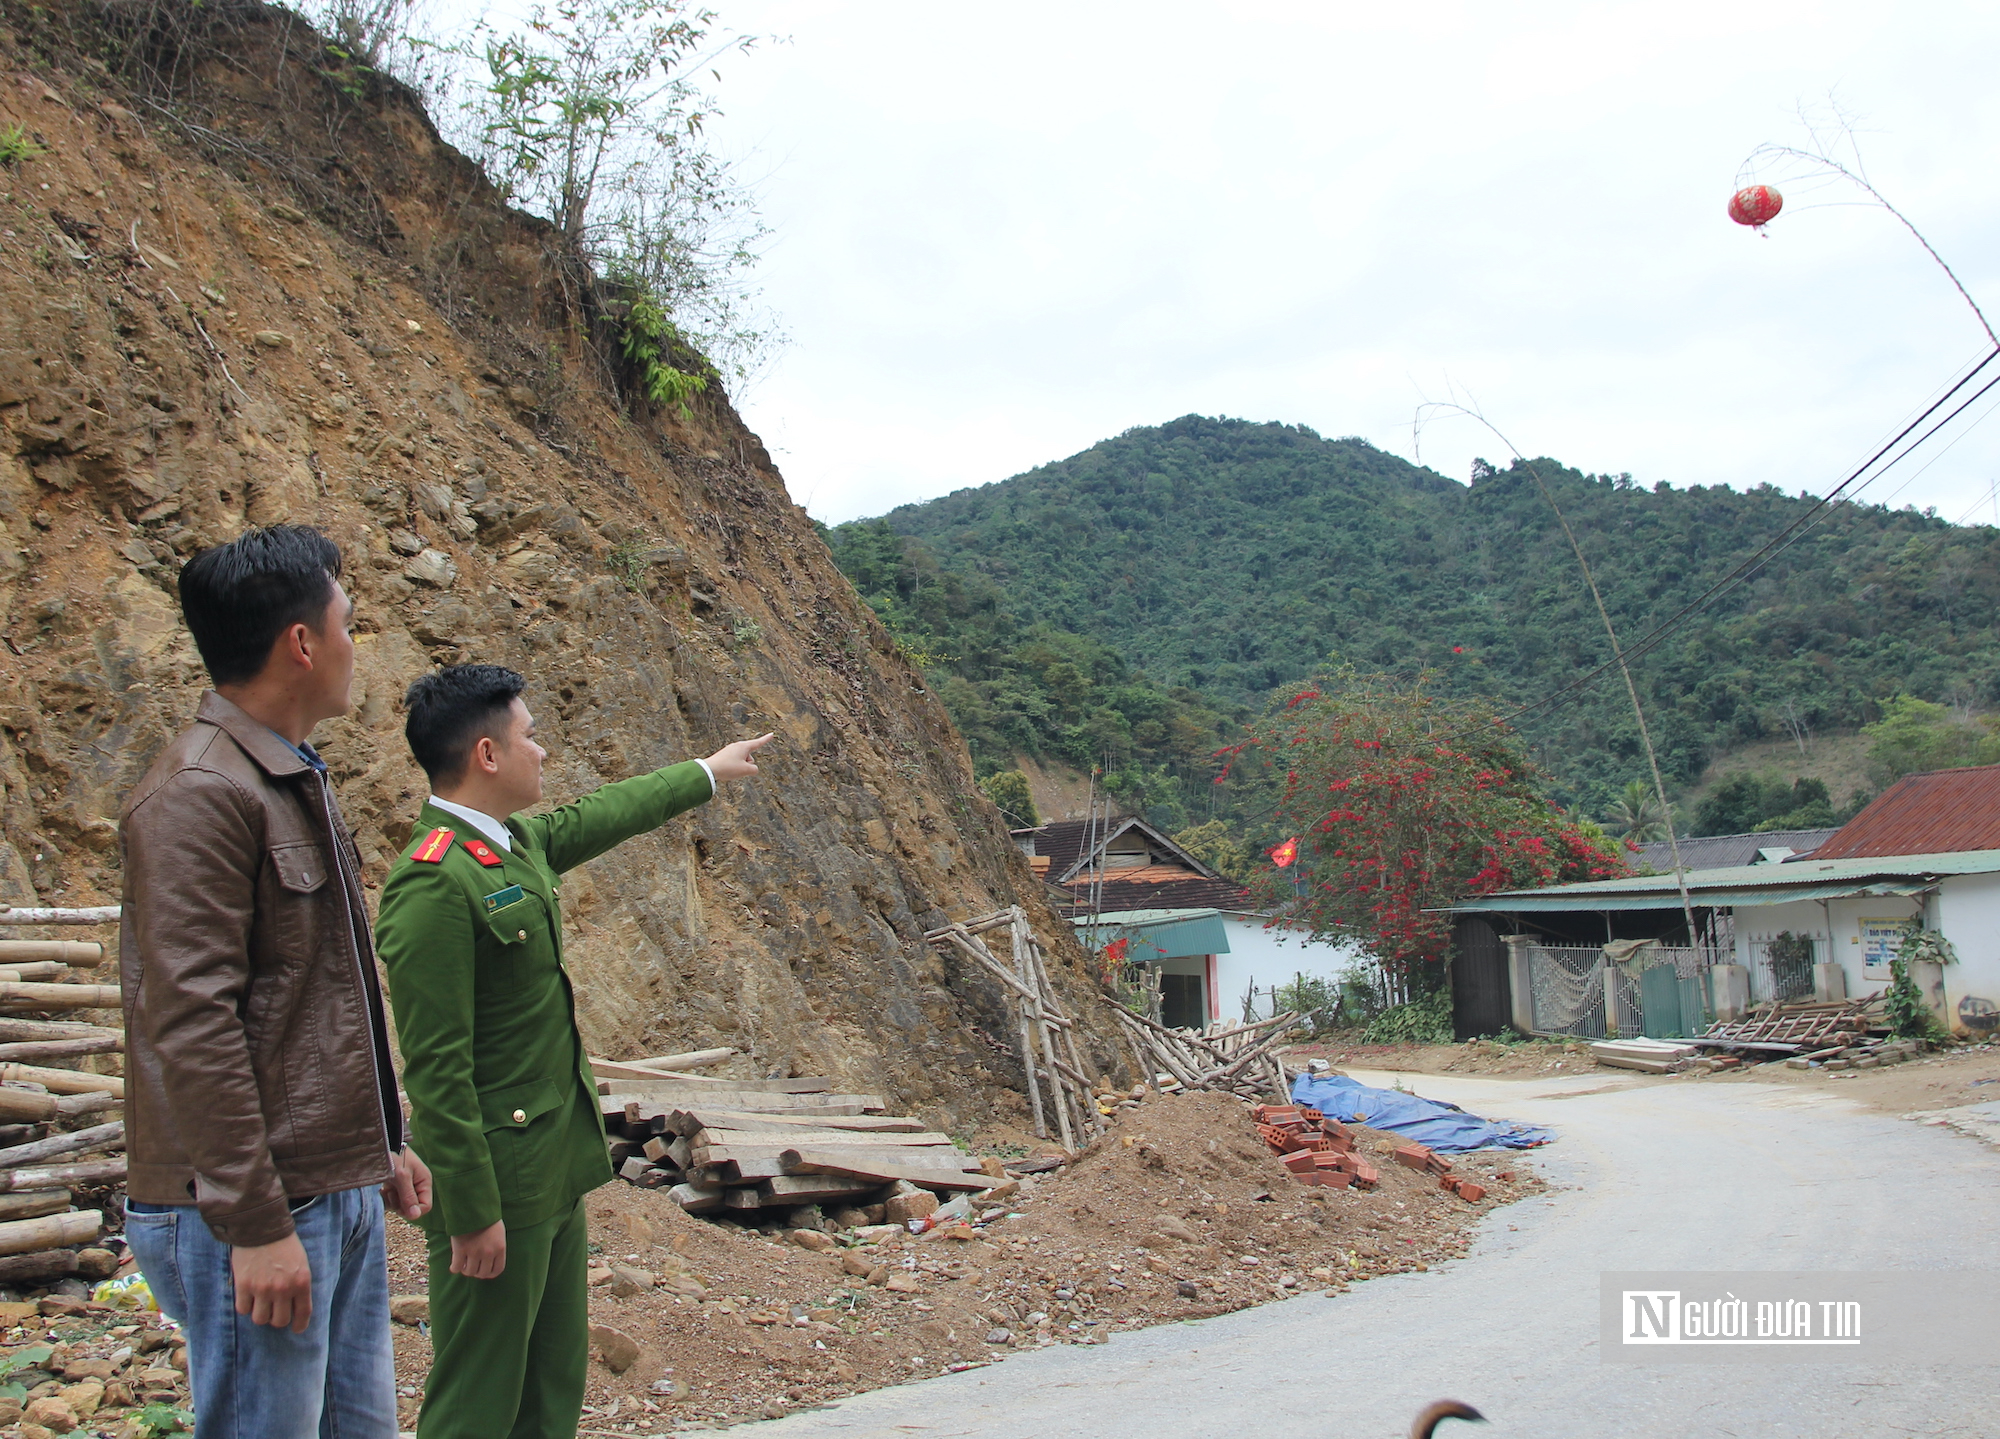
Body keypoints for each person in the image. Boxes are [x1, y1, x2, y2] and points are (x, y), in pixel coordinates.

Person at [375, 663, 772, 1439]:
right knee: (476, 1402)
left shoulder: (512, 844)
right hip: (498, 1191)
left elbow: (605, 813)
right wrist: (472, 1210)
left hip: (552, 1168)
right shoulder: (432, 883)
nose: (543, 750)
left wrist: (706, 772)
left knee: (549, 1393)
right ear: (487, 754)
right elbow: (436, 1070)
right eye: (530, 735)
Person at [119, 524, 433, 1437]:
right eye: (345, 622)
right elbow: (192, 1022)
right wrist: (254, 1225)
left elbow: (317, 998)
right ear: (302, 642)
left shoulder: (287, 776)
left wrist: (379, 1139)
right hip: (253, 1208)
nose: (352, 644)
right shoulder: (198, 792)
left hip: (328, 1186)